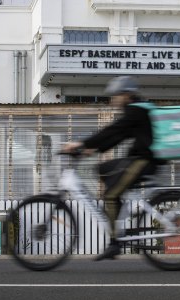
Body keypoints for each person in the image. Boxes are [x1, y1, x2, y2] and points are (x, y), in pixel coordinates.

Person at [61, 75, 159, 261]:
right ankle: (118, 215)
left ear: (126, 95)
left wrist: (80, 143)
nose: (113, 100)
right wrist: (93, 148)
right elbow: (118, 136)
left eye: (116, 96)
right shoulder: (136, 111)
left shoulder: (135, 111)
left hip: (143, 162)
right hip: (139, 159)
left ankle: (114, 242)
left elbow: (112, 130)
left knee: (111, 195)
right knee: (102, 169)